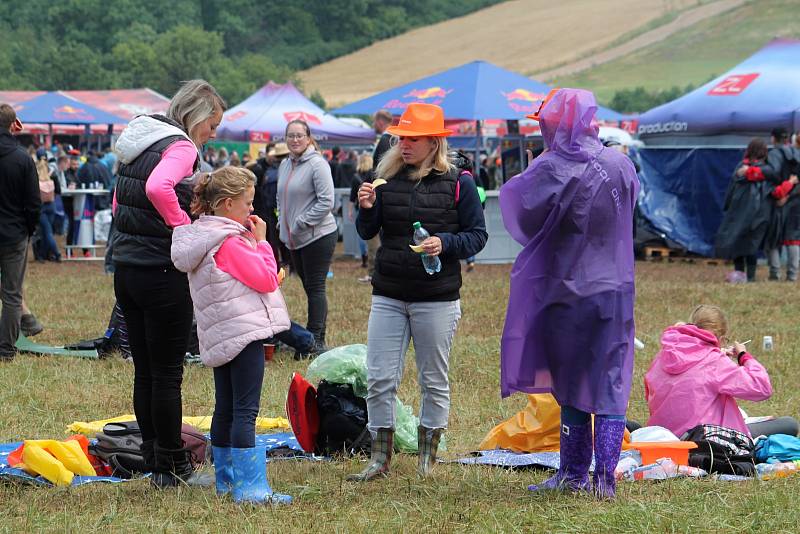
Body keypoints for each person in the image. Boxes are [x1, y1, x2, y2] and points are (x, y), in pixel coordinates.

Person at [499, 89, 638, 499]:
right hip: (616, 287)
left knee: (571, 376)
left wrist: (535, 171)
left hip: (569, 288)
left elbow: (521, 213)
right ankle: (604, 481)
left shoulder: (551, 167)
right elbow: (629, 212)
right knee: (612, 375)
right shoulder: (621, 163)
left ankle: (573, 472)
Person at [348, 103, 487, 481]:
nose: (404, 144)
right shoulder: (385, 179)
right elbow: (367, 232)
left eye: (413, 138)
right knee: (379, 376)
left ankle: (428, 457)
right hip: (389, 292)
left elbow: (478, 236)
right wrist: (366, 208)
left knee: (433, 378)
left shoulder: (461, 182)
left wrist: (445, 242)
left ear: (434, 142)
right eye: (401, 137)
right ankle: (379, 458)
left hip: (437, 297)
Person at [112, 79, 225, 488]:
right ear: (197, 118)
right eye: (212, 125)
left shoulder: (137, 142)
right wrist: (183, 228)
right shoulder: (179, 146)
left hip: (127, 269)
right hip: (161, 271)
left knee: (145, 371)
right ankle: (172, 465)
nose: (213, 133)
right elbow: (157, 187)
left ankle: (152, 456)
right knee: (166, 374)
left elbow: (118, 200)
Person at [171, 166, 292, 504]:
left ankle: (227, 481)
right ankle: (251, 489)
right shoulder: (231, 242)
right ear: (226, 204)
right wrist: (262, 243)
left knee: (225, 408)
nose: (251, 211)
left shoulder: (202, 236)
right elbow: (266, 279)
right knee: (245, 412)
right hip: (243, 333)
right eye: (248, 204)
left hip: (222, 334)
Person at [645, 305, 798, 438]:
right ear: (721, 338)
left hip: (664, 437)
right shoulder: (715, 362)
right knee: (789, 424)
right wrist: (744, 357)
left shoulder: (662, 356)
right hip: (705, 441)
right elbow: (762, 388)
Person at [277, 119, 337, 357]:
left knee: (315, 287)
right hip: (294, 238)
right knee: (307, 286)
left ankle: (316, 341)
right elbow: (281, 198)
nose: (294, 140)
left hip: (318, 235)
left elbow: (326, 202)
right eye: (290, 136)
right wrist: (283, 221)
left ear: (309, 138)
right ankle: (310, 339)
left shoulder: (317, 165)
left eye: (299, 135)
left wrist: (301, 222)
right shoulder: (285, 164)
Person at [715, 139, 796, 282]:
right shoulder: (768, 170)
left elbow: (732, 188)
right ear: (765, 152)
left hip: (739, 212)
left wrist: (728, 206)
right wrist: (789, 184)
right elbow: (775, 190)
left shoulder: (741, 167)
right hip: (760, 214)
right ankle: (751, 278)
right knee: (751, 244)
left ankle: (739, 274)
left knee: (737, 241)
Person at [0, 104, 40, 361]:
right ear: (13, 124)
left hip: (14, 231)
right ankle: (5, 350)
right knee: (12, 295)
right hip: (14, 234)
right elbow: (34, 203)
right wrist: (29, 229)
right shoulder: (23, 158)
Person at [764, 127, 800, 280]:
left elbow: (770, 176)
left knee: (772, 237)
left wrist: (782, 195)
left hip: (776, 200)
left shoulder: (773, 155)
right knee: (793, 238)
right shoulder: (797, 154)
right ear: (787, 139)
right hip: (796, 201)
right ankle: (792, 276)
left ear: (773, 138)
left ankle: (775, 274)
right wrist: (791, 195)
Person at [349, 153, 373, 272]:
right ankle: (373, 258)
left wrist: (350, 210)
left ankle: (364, 260)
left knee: (362, 235)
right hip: (374, 206)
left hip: (361, 208)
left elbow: (352, 197)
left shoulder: (355, 177)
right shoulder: (374, 175)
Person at [35, 157, 61, 262]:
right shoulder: (52, 179)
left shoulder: (36, 180)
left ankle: (57, 253)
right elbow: (58, 191)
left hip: (41, 208)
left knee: (47, 232)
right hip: (51, 206)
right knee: (47, 232)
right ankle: (42, 254)